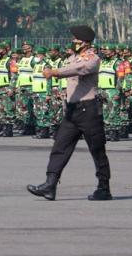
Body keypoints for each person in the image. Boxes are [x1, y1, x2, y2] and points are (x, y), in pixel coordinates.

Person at [27, 25, 112, 201]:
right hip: (72, 110)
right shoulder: (73, 57)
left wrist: (55, 72)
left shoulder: (92, 58)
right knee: (60, 146)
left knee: (97, 149)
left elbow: (80, 70)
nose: (73, 42)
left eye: (76, 40)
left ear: (86, 43)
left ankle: (104, 188)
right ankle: (50, 185)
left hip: (88, 109)